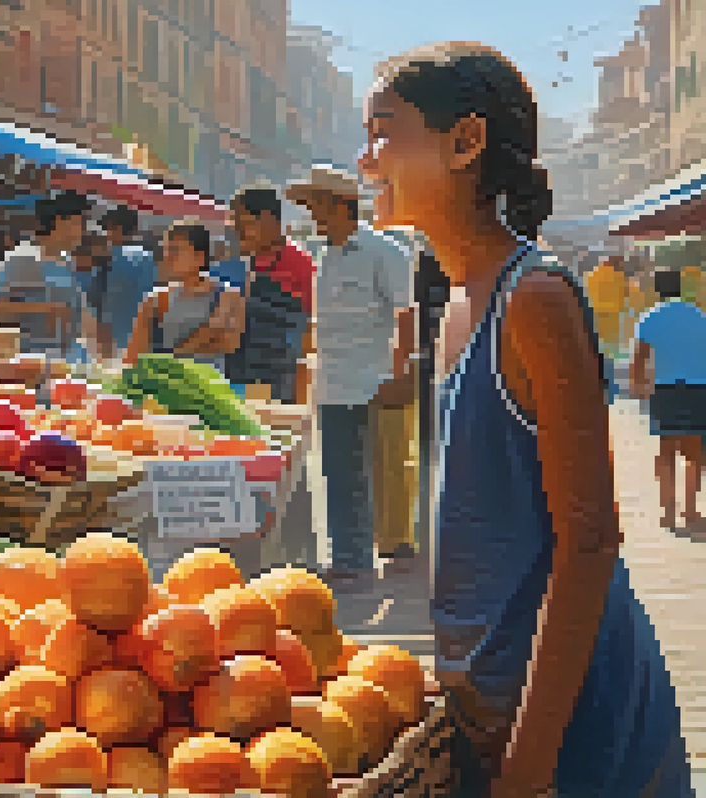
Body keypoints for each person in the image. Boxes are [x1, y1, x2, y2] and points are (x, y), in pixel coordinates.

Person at [359, 42, 689, 797]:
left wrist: (531, 766)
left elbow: (591, 542)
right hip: (492, 707)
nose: (366, 157)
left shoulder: (533, 298)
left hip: (574, 720)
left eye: (383, 131)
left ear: (465, 142)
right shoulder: (456, 305)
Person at [285, 165, 417, 584]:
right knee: (338, 474)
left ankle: (357, 558)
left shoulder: (385, 252)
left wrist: (401, 372)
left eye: (318, 206)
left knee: (367, 474)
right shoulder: (327, 257)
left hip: (371, 381)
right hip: (332, 382)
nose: (314, 216)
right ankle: (349, 556)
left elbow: (405, 315)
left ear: (343, 206)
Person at [631, 268, 706, 528]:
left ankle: (668, 511)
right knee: (695, 453)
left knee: (666, 451)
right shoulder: (699, 315)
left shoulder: (650, 317)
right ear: (681, 288)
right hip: (699, 388)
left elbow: (639, 358)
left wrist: (638, 387)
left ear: (657, 290)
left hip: (664, 390)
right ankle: (691, 510)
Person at [227, 187, 315, 403]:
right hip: (240, 371)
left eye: (245, 225)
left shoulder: (300, 263)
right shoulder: (239, 263)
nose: (239, 234)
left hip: (280, 377)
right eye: (236, 227)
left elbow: (312, 327)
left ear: (268, 218)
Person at [123, 220, 243, 370]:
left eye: (175, 250)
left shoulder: (229, 296)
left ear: (199, 257)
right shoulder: (155, 300)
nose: (167, 257)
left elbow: (228, 343)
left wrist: (171, 356)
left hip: (207, 388)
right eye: (165, 250)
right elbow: (133, 357)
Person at [0, 191, 95, 360]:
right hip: (32, 359)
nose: (84, 231)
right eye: (80, 223)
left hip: (66, 358)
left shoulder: (66, 260)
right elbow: (0, 310)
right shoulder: (25, 257)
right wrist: (47, 308)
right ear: (60, 222)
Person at [88, 205, 159, 359]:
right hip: (142, 342)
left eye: (105, 229)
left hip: (108, 343)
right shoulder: (149, 259)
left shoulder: (104, 257)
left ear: (117, 229)